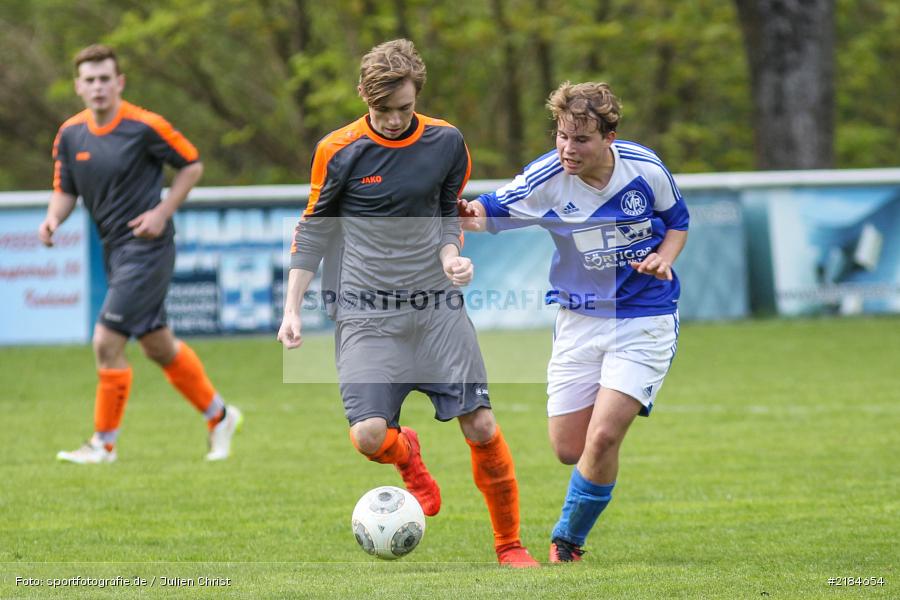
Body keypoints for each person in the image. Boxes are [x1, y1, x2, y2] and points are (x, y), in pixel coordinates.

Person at [277, 39, 538, 567]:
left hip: (435, 304)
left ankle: (509, 545)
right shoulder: (339, 149)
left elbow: (446, 213)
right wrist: (291, 309)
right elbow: (314, 232)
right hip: (365, 311)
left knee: (481, 425)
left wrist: (451, 257)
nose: (395, 120)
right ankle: (408, 457)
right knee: (369, 436)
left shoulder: (446, 142)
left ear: (417, 95)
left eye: (405, 108)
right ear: (364, 99)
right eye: (383, 110)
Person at [459, 81, 689, 562]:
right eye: (561, 136)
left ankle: (568, 539)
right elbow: (489, 211)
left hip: (645, 318)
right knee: (570, 448)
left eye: (581, 139)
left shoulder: (644, 169)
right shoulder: (547, 177)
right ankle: (587, 495)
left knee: (604, 436)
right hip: (578, 318)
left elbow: (678, 221)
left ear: (609, 136)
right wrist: (465, 211)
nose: (568, 149)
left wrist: (664, 258)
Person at [40, 44, 242, 464]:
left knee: (106, 341)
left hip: (148, 247)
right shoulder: (70, 134)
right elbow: (65, 190)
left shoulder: (145, 125)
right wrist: (51, 221)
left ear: (119, 82)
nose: (98, 87)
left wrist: (162, 210)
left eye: (104, 79)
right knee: (157, 346)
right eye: (90, 80)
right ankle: (219, 415)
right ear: (79, 86)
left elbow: (192, 163)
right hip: (114, 250)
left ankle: (103, 444)